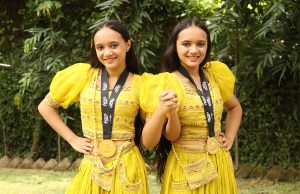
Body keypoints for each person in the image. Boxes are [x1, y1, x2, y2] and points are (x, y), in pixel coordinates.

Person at [38, 19, 178, 194]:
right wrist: (72, 139)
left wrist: (161, 112)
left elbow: (149, 143)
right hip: (92, 165)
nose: (107, 53)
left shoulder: (143, 85)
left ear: (127, 45)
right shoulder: (83, 76)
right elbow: (45, 106)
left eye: (113, 45)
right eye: (100, 47)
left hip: (127, 167)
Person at [152, 18, 243, 194]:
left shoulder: (214, 75)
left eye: (200, 44)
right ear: (175, 46)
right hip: (186, 166)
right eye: (186, 44)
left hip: (219, 161)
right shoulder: (167, 82)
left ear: (207, 46)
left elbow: (235, 107)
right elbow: (171, 136)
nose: (194, 50)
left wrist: (230, 138)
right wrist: (171, 112)